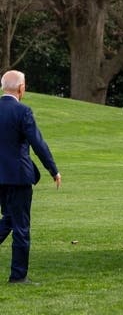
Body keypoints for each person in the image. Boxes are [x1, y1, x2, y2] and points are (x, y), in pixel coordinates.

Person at [0, 70, 60, 284]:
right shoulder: (23, 111)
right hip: (18, 177)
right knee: (21, 227)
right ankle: (18, 276)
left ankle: (18, 274)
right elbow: (38, 144)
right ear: (21, 88)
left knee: (8, 218)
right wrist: (53, 169)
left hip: (0, 178)